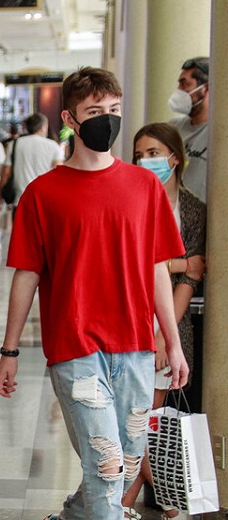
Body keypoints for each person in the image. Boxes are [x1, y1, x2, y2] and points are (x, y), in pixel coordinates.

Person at [0, 68, 189, 520]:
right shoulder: (43, 194)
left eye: (114, 110)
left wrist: (172, 342)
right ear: (70, 118)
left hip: (137, 347)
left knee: (126, 465)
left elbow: (158, 268)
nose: (108, 119)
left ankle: (74, 515)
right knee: (106, 463)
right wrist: (9, 350)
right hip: (75, 346)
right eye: (95, 112)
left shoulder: (145, 187)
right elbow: (27, 274)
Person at [120, 123, 206, 519]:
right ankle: (169, 503)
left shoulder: (192, 210)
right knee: (136, 422)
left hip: (169, 328)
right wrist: (174, 262)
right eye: (140, 153)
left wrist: (163, 333)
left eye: (154, 151)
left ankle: (140, 504)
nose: (146, 160)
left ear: (175, 156)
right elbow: (131, 261)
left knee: (142, 421)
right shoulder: (131, 198)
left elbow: (194, 274)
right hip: (129, 319)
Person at [0, 112, 63, 220]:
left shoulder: (15, 144)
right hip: (45, 202)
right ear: (43, 127)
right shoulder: (53, 146)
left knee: (20, 236)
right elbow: (58, 175)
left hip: (20, 200)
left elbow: (6, 173)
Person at [167, 57, 210, 201]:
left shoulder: (219, 133)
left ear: (206, 88)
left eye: (184, 84)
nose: (178, 91)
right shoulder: (174, 128)